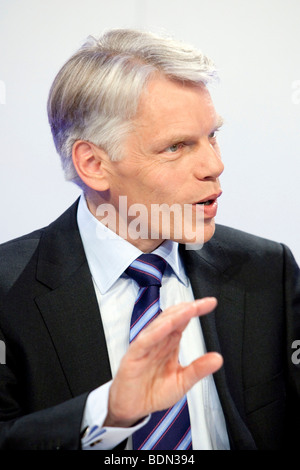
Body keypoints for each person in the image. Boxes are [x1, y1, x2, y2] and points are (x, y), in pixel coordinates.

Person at [0, 28, 299, 451]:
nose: (215, 165)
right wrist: (109, 413)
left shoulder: (269, 268)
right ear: (93, 164)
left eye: (211, 135)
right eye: (177, 146)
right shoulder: (7, 291)